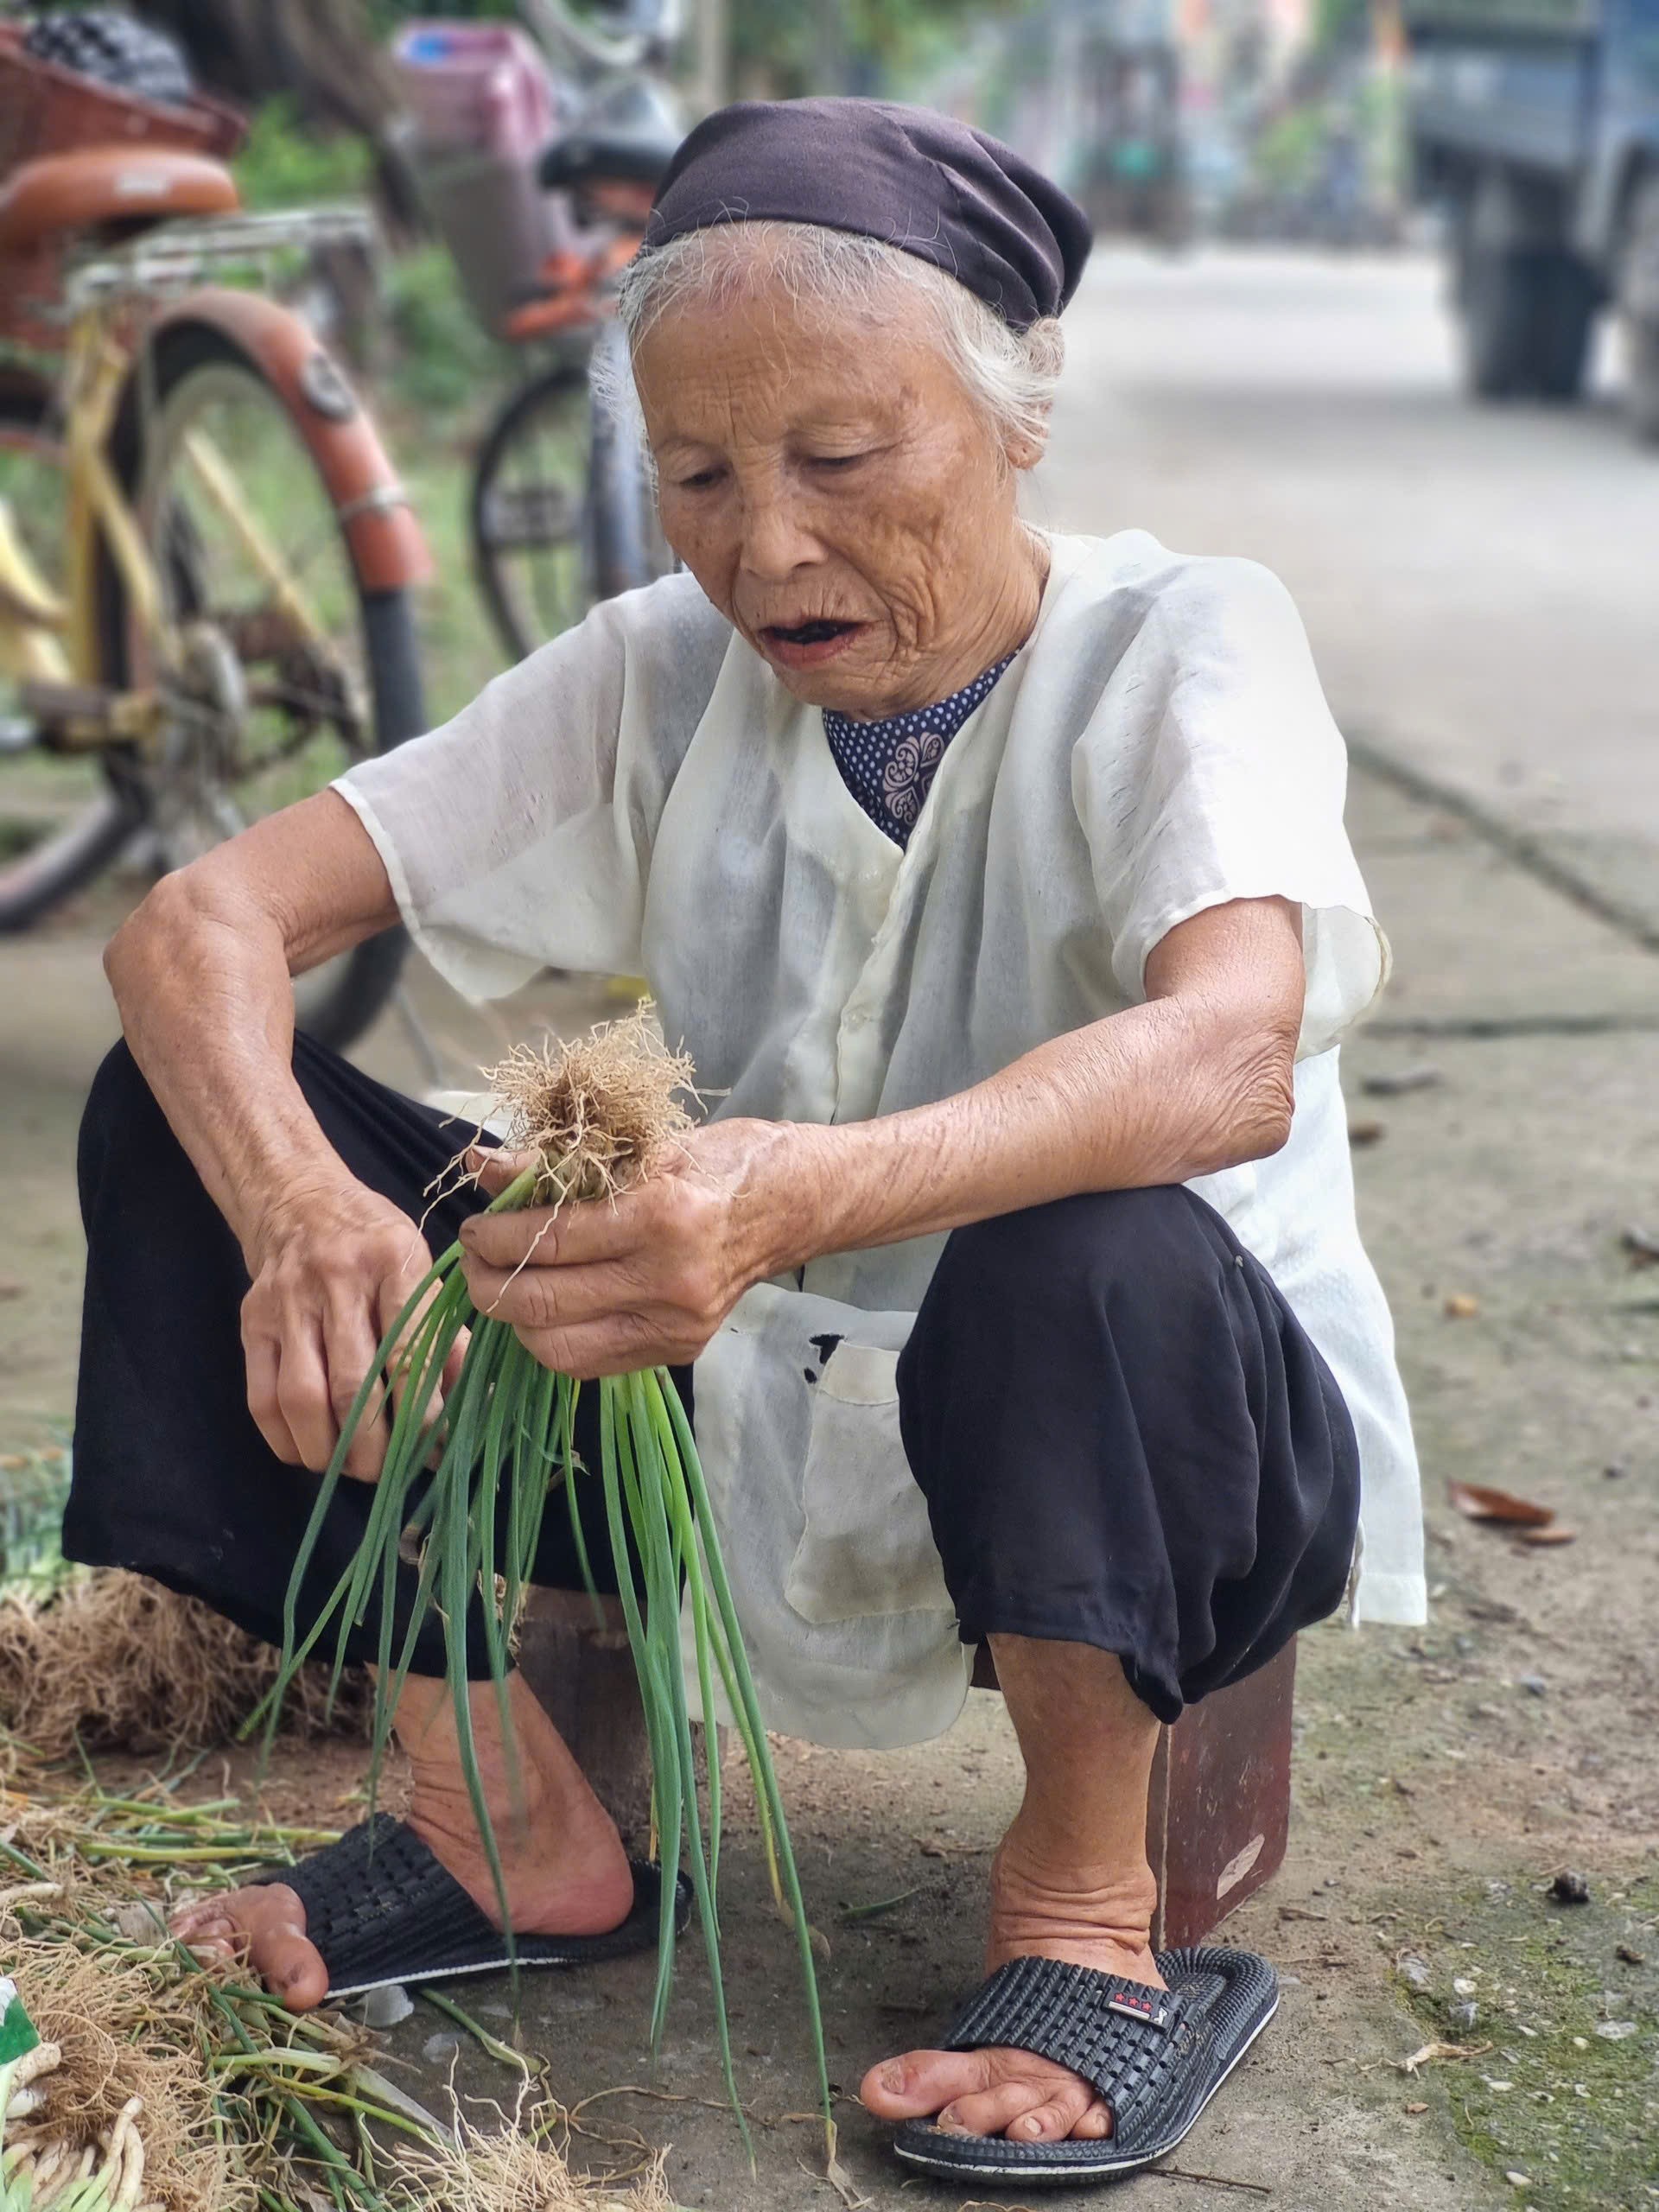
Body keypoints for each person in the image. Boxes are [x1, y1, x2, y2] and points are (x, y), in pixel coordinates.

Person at [67, 98, 1425, 2186]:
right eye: (695, 474)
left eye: (842, 462)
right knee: (189, 1113)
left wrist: (794, 1187)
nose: (764, 543)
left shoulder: (1183, 643)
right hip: (720, 1426)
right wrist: (292, 1204)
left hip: (1136, 1451)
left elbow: (1228, 1053)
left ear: (1016, 417)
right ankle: (488, 1807)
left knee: (1087, 1229)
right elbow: (198, 925)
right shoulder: (657, 672)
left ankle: (1081, 1905)